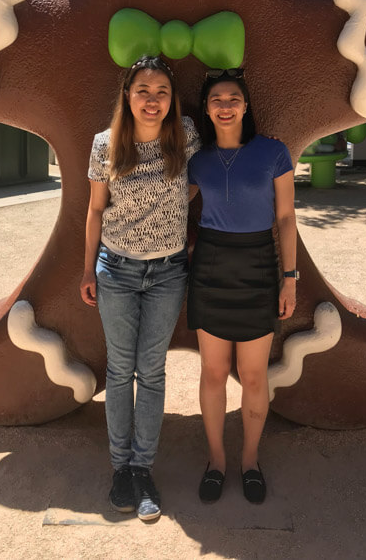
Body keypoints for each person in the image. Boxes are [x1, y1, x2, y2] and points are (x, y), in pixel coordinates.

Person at [80, 56, 200, 522]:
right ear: (127, 96)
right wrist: (87, 270)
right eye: (143, 91)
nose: (153, 100)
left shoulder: (185, 135)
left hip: (169, 272)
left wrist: (170, 204)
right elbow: (94, 210)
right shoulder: (104, 145)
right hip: (117, 271)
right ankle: (119, 470)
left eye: (162, 92)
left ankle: (142, 468)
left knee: (151, 373)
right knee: (118, 371)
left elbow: (194, 184)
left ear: (172, 100)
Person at [187, 69, 298, 504]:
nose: (226, 105)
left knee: (253, 376)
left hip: (258, 265)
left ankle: (249, 460)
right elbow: (169, 201)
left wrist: (289, 279)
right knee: (213, 373)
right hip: (210, 266)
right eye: (217, 98)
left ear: (246, 106)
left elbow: (286, 218)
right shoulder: (197, 160)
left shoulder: (273, 152)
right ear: (207, 109)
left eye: (234, 97)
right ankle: (216, 461)